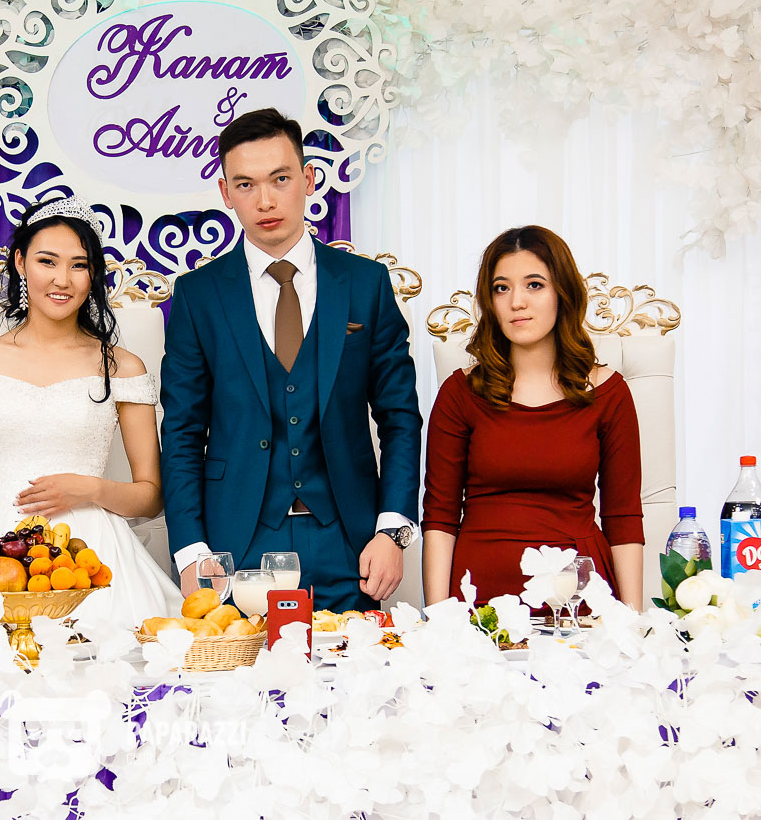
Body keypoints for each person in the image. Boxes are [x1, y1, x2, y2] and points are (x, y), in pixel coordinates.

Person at [160, 108, 423, 611]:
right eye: (245, 184)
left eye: (280, 179)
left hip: (349, 540)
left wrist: (393, 530)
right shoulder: (198, 295)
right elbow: (182, 431)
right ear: (226, 193)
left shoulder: (365, 284)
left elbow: (400, 417)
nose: (265, 200)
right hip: (235, 545)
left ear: (308, 179)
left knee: (354, 662)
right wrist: (191, 551)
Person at [0, 196, 182, 627]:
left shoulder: (123, 368)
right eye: (47, 261)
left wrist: (90, 489)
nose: (62, 280)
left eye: (79, 265)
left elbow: (152, 495)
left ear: (93, 274)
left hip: (92, 556)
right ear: (20, 262)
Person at [421, 225, 644, 608]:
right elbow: (440, 519)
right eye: (501, 288)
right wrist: (437, 619)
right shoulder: (459, 394)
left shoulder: (609, 393)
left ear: (563, 293)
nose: (516, 302)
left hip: (579, 600)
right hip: (478, 602)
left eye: (534, 285)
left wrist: (633, 622)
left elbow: (623, 518)